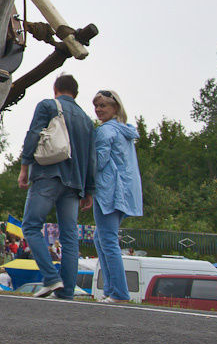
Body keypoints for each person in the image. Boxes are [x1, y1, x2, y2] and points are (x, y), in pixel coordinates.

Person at [18, 74, 96, 299]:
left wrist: (25, 167)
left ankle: (51, 278)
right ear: (76, 93)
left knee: (32, 226)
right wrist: (89, 190)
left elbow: (33, 134)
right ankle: (67, 291)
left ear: (55, 89)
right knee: (70, 237)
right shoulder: (86, 120)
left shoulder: (48, 106)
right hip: (75, 184)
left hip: (48, 175)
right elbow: (92, 158)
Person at [87, 89, 143, 303]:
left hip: (109, 191)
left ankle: (119, 291)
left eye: (103, 106)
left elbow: (98, 163)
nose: (99, 110)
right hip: (125, 192)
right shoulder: (124, 131)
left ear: (115, 108)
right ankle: (111, 289)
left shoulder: (105, 131)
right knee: (101, 237)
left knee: (107, 239)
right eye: (97, 106)